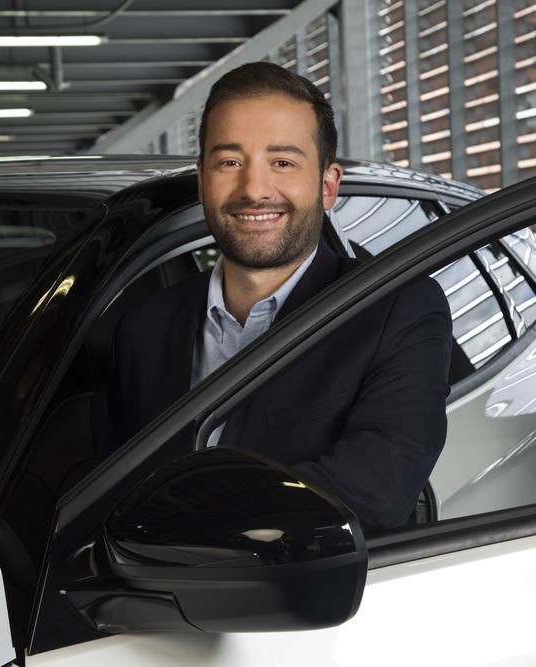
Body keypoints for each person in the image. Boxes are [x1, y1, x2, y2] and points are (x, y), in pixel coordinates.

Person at [110, 61, 452, 531]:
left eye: (283, 163)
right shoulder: (142, 327)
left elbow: (378, 490)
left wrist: (185, 520)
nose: (253, 189)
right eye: (230, 162)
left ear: (328, 185)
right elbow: (110, 491)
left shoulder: (396, 309)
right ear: (202, 179)